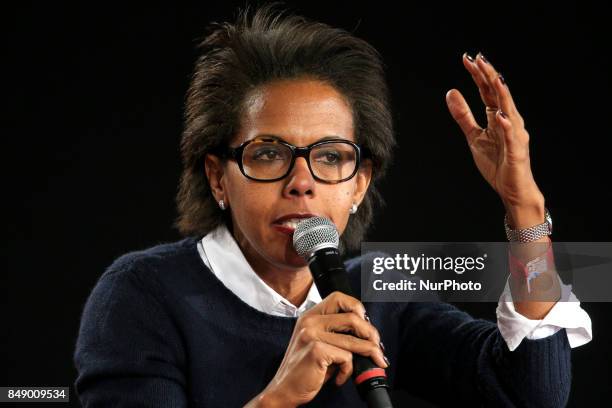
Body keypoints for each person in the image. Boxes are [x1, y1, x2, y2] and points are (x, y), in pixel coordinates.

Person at [73, 4, 592, 407]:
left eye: (330, 156)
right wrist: (279, 396)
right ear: (218, 178)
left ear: (360, 183)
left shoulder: (381, 292)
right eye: (269, 153)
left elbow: (529, 394)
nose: (302, 182)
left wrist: (524, 209)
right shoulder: (143, 295)